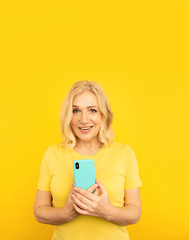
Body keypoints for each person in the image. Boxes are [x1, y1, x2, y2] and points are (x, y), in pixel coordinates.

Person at [34, 80, 142, 240]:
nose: (84, 120)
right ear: (68, 115)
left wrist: (105, 210)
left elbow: (134, 213)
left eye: (92, 110)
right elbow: (40, 211)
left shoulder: (124, 153)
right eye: (76, 111)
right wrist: (66, 213)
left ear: (103, 114)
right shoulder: (53, 154)